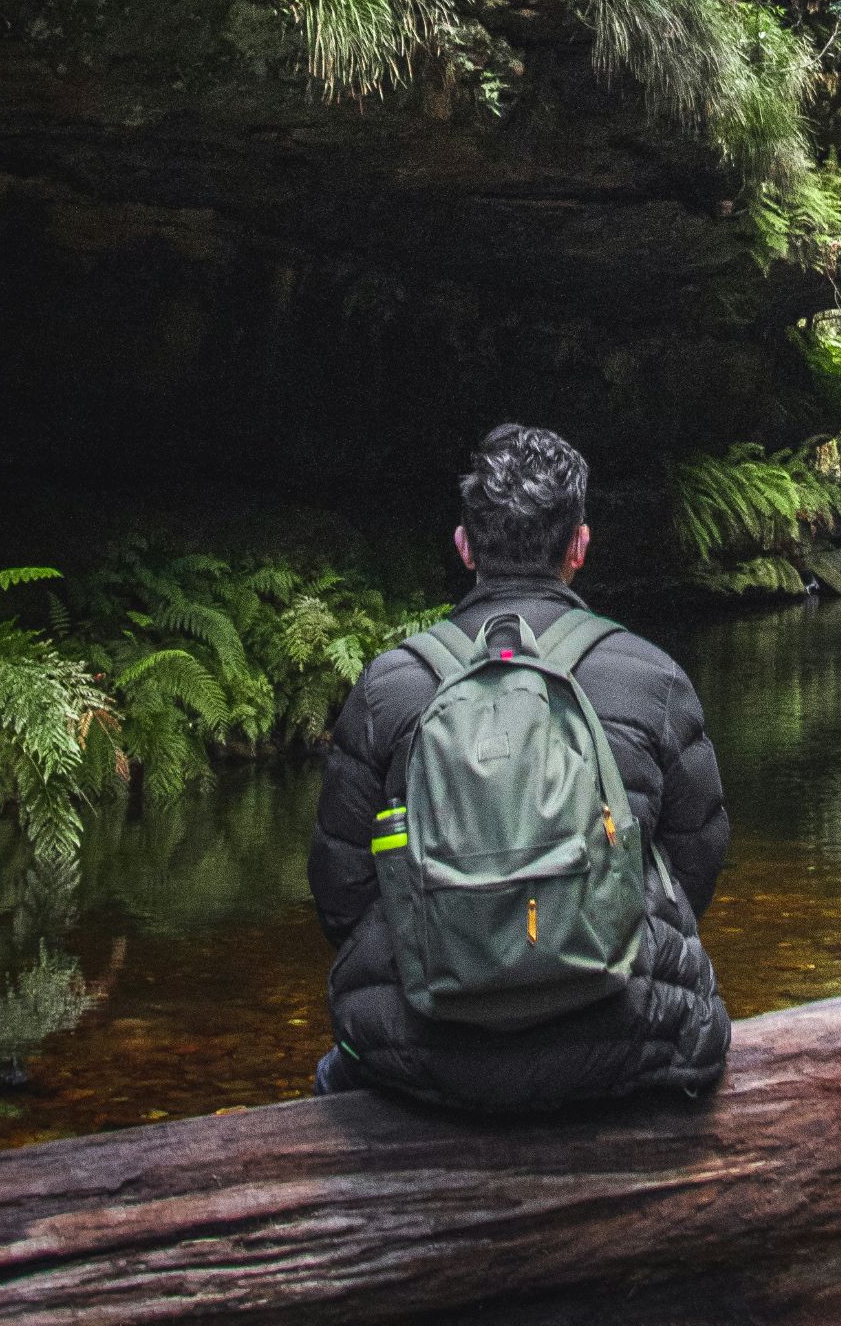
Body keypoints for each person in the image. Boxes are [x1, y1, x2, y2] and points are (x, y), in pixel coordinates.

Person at [307, 424, 733, 1110]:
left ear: (465, 546)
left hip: (424, 1053)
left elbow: (341, 890)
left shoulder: (391, 689)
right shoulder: (652, 678)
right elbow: (697, 861)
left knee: (338, 1078)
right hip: (626, 1038)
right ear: (580, 546)